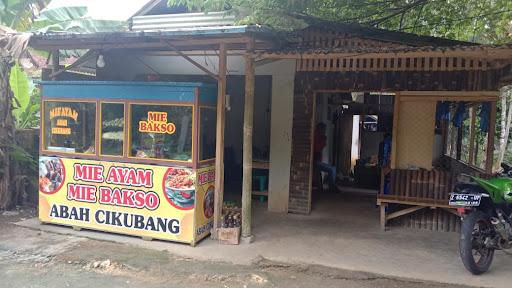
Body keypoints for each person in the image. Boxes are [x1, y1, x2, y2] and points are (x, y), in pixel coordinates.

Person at [314, 122, 336, 192]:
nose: (325, 131)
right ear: (320, 129)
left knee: (319, 172)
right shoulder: (317, 136)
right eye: (324, 129)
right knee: (332, 169)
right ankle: (332, 188)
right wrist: (323, 139)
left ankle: (322, 188)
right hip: (314, 161)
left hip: (316, 160)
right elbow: (318, 148)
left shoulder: (319, 135)